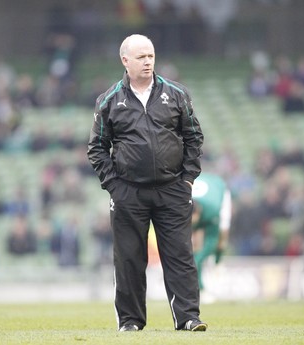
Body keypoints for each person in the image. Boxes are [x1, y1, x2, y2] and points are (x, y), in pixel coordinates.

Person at [87, 34, 205, 332]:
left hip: (172, 190)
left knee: (180, 256)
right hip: (128, 192)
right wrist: (114, 185)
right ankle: (130, 322)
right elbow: (97, 148)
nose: (148, 61)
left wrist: (188, 179)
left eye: (151, 55)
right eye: (141, 57)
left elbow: (194, 137)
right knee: (128, 260)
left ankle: (188, 318)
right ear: (125, 60)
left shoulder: (177, 94)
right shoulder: (109, 100)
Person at [191, 173, 231, 302]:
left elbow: (212, 240)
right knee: (195, 255)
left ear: (197, 213)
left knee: (222, 234)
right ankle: (201, 289)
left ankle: (219, 260)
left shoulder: (213, 209)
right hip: (201, 187)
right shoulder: (180, 205)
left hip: (219, 190)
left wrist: (200, 256)